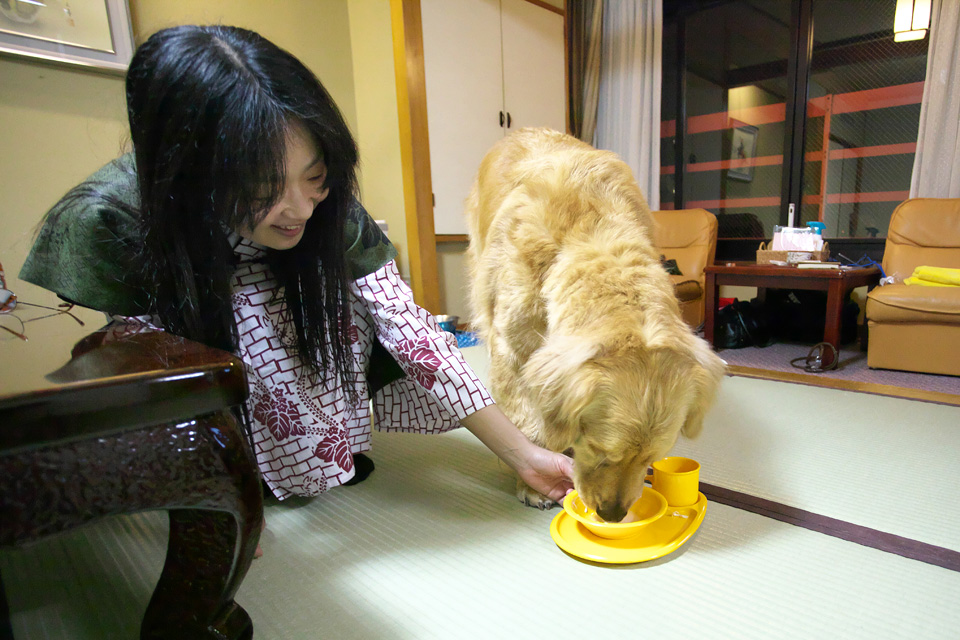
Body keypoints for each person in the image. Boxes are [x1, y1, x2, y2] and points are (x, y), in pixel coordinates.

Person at [20, 25, 574, 551]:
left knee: (354, 305)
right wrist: (212, 502)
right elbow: (151, 377)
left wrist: (523, 455)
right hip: (197, 348)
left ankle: (323, 454)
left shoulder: (329, 207)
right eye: (263, 186)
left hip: (301, 335)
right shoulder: (112, 216)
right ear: (189, 173)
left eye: (314, 177)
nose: (300, 209)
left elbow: (410, 331)